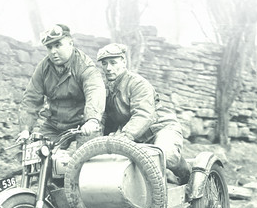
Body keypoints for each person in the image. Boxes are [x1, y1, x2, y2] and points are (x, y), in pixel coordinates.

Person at [96, 43, 192, 184]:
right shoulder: (105, 89)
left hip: (160, 127)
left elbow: (143, 114)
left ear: (123, 62)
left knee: (164, 156)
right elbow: (105, 118)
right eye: (104, 64)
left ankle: (186, 174)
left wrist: (126, 135)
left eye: (113, 63)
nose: (108, 68)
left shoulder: (137, 84)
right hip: (135, 135)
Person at [17, 24, 105, 143]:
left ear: (71, 43)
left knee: (86, 155)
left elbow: (95, 92)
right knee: (33, 152)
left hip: (82, 122)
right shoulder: (43, 68)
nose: (53, 51)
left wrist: (92, 120)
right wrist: (25, 129)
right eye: (49, 47)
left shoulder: (85, 66)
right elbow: (31, 99)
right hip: (55, 125)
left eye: (58, 45)